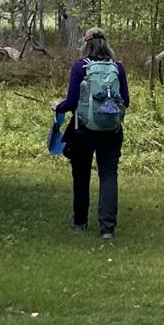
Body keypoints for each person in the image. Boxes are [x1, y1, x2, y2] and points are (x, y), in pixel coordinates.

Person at [53, 26, 129, 238]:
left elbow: (71, 102)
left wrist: (57, 107)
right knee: (108, 176)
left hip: (83, 130)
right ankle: (107, 229)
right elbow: (126, 101)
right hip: (112, 130)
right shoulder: (118, 68)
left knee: (81, 174)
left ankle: (80, 221)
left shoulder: (80, 67)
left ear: (86, 44)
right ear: (106, 43)